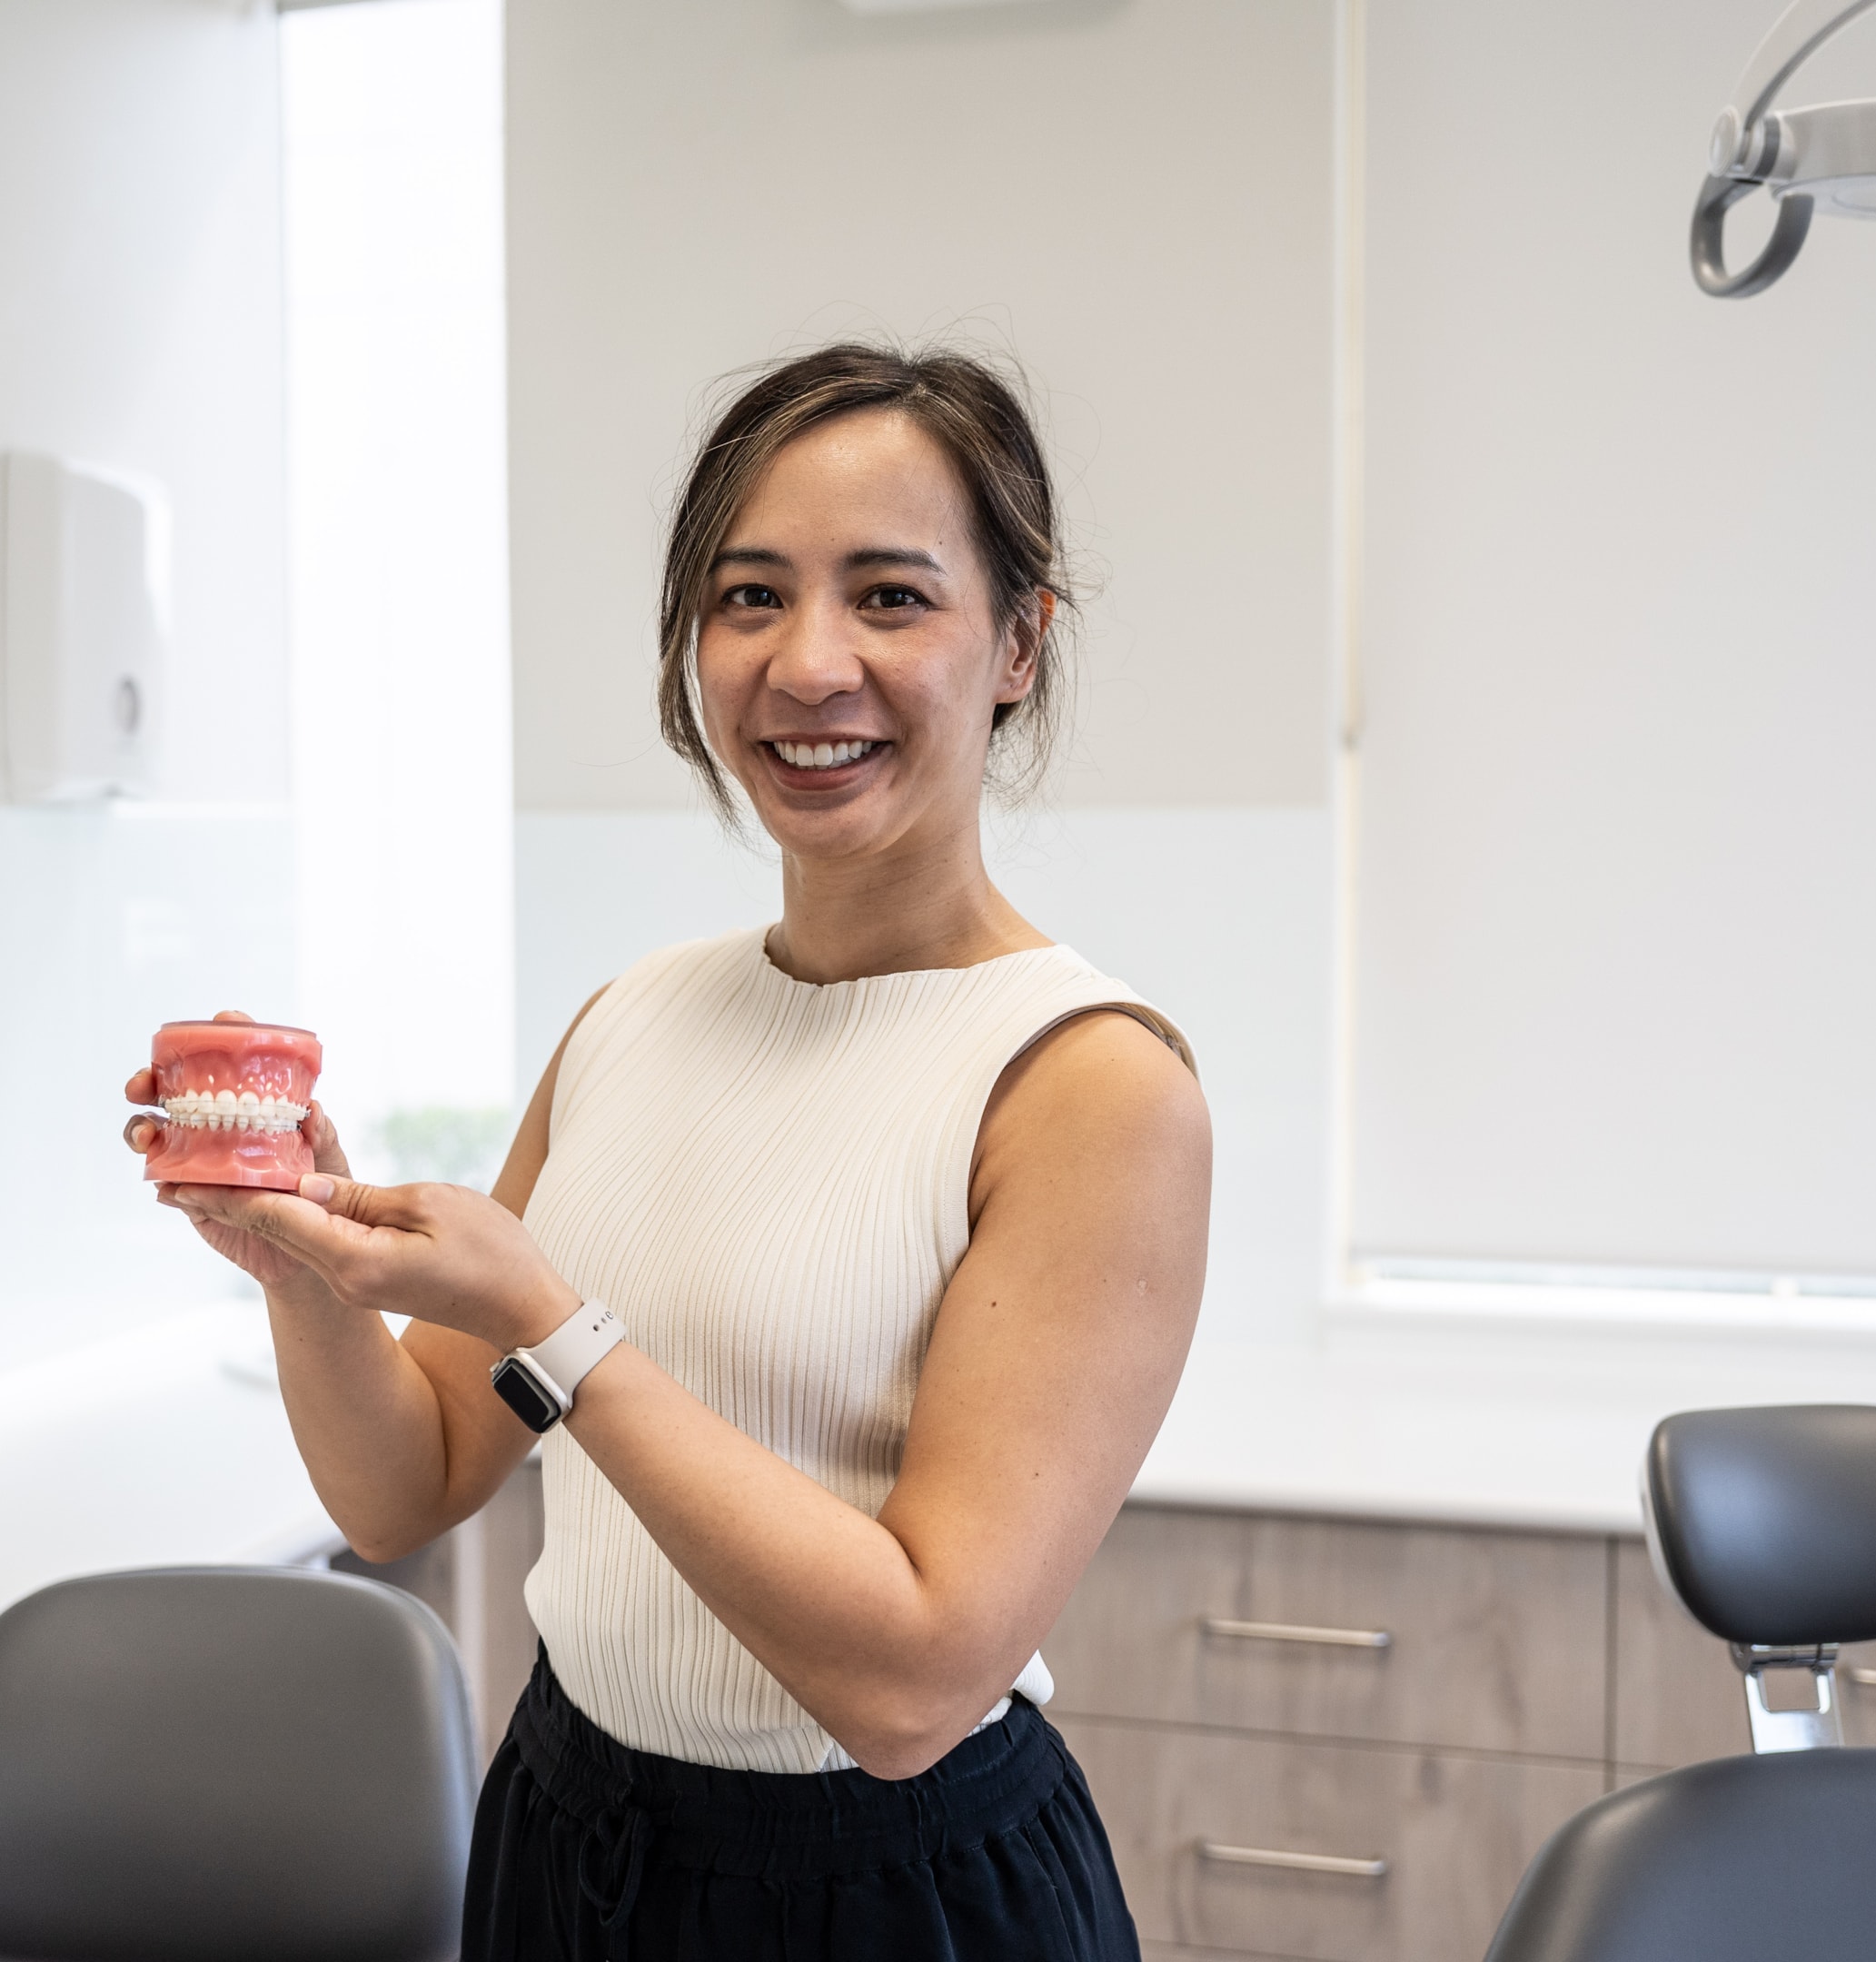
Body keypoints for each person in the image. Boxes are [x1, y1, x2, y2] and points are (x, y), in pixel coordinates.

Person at [126, 343, 1211, 1960]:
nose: (807, 664)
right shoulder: (629, 1020)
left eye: (893, 598)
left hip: (888, 1889)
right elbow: (406, 1480)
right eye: (750, 595)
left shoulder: (1087, 1083)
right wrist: (299, 1268)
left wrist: (556, 1328)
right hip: (574, 1834)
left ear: (1019, 645)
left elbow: (917, 1679)